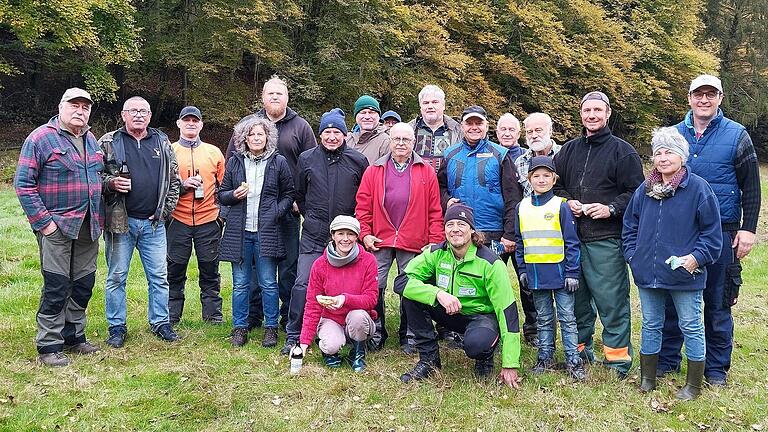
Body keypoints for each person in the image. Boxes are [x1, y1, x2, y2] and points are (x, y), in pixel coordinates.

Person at [658, 74, 761, 386]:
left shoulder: (737, 135)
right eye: (698, 94)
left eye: (710, 94)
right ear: (689, 98)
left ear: (720, 98)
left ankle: (715, 370)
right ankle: (667, 362)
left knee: (717, 304)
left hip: (723, 234)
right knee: (673, 303)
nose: (704, 100)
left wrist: (748, 229)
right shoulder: (673, 134)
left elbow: (752, 187)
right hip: (680, 233)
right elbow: (657, 179)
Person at [623, 127, 722, 400]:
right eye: (658, 152)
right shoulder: (645, 190)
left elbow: (712, 236)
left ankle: (693, 385)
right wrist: (633, 256)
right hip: (648, 273)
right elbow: (629, 226)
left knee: (691, 325)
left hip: (685, 274)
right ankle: (647, 379)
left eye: (669, 152)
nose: (663, 157)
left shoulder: (698, 189)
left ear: (682, 156)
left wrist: (696, 258)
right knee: (651, 323)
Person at [553, 91, 644, 377]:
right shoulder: (568, 150)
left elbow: (637, 193)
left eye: (597, 110)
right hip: (571, 241)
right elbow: (554, 186)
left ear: (607, 114)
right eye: (587, 110)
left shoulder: (622, 151)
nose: (591, 115)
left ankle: (617, 361)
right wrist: (569, 202)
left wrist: (611, 209)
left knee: (612, 302)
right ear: (581, 114)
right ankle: (578, 353)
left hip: (606, 240)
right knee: (576, 303)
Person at [14, 88, 104, 366]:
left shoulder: (91, 141)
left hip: (89, 226)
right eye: (74, 105)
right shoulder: (40, 138)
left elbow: (96, 179)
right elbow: (23, 185)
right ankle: (49, 344)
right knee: (56, 285)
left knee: (83, 284)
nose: (80, 110)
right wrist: (45, 224)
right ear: (61, 106)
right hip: (58, 227)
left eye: (85, 107)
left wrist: (110, 184)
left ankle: (74, 337)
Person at [226, 75, 317, 331]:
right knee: (254, 267)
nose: (275, 97)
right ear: (263, 97)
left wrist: (300, 201)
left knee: (288, 266)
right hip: (252, 211)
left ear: (287, 97)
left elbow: (311, 166)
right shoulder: (248, 125)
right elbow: (231, 164)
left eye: (280, 93)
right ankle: (253, 316)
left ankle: (288, 314)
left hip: (287, 209)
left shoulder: (301, 127)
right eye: (270, 93)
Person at [394, 204, 522, 387]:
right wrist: (437, 293)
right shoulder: (435, 253)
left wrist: (510, 363)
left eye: (461, 224)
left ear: (471, 230)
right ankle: (429, 360)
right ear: (444, 230)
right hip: (450, 311)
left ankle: (485, 357)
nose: (455, 229)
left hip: (481, 317)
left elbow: (508, 312)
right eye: (450, 224)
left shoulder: (491, 263)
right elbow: (401, 281)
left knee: (477, 345)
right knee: (412, 296)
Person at [281, 108, 369, 354]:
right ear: (320, 135)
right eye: (327, 132)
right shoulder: (307, 158)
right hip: (314, 231)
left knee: (354, 285)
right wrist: (312, 216)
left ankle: (361, 334)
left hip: (346, 236)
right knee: (303, 283)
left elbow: (364, 195)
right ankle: (294, 334)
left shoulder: (358, 160)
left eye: (337, 132)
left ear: (344, 134)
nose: (332, 137)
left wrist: (350, 227)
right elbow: (299, 193)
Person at [355, 122, 444, 353]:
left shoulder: (425, 171)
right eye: (397, 139)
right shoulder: (374, 170)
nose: (401, 143)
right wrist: (364, 234)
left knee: (411, 286)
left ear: (413, 142)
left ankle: (410, 334)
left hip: (414, 240)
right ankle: (375, 331)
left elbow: (435, 211)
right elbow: (362, 207)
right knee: (375, 284)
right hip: (379, 239)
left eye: (406, 139)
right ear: (390, 141)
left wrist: (434, 241)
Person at [100, 96, 181, 348]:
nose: (139, 115)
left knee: (159, 276)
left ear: (149, 115)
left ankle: (160, 322)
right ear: (123, 114)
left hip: (154, 224)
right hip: (119, 223)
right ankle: (116, 327)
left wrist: (164, 212)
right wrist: (110, 183)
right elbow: (93, 177)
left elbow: (173, 180)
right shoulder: (109, 142)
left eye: (144, 111)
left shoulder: (161, 141)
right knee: (117, 277)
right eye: (133, 111)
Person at [219, 117, 295, 347]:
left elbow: (288, 194)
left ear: (267, 137)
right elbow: (222, 193)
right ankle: (239, 327)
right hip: (240, 232)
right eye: (251, 135)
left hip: (267, 232)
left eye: (260, 134)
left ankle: (270, 327)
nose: (256, 138)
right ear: (244, 138)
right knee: (240, 283)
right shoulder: (234, 162)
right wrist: (233, 196)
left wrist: (276, 212)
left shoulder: (278, 162)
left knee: (268, 283)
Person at [515, 156, 586, 380]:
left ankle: (574, 360)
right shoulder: (522, 207)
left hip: (561, 274)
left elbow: (572, 242)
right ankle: (545, 358)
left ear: (554, 179)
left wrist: (573, 272)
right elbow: (520, 241)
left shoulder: (560, 206)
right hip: (536, 274)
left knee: (567, 317)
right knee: (543, 317)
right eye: (537, 176)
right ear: (529, 179)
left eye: (546, 175)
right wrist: (523, 270)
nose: (541, 180)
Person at [167, 106, 225, 325]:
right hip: (177, 219)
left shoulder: (213, 152)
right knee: (174, 269)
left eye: (195, 120)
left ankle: (213, 317)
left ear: (201, 124)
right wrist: (182, 187)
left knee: (210, 269)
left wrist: (221, 215)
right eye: (186, 120)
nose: (191, 124)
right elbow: (163, 185)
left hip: (208, 220)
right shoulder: (169, 150)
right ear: (179, 124)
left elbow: (225, 185)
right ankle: (171, 316)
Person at [299, 216, 378, 372]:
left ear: (357, 237)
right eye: (340, 234)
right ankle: (329, 350)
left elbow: (372, 298)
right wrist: (303, 343)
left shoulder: (368, 260)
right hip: (331, 317)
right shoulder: (320, 264)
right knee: (330, 345)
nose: (345, 239)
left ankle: (357, 352)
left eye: (350, 234)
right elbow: (312, 304)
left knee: (358, 317)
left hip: (358, 318)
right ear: (333, 235)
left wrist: (345, 299)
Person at [408, 84, 463, 171]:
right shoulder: (409, 130)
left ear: (443, 105)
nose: (430, 106)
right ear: (420, 107)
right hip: (416, 183)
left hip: (447, 183)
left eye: (435, 102)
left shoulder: (458, 130)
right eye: (425, 103)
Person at [515, 112, 562, 198]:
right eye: (529, 132)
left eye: (538, 130)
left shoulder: (564, 155)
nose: (534, 135)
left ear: (550, 131)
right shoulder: (520, 161)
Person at [346, 95, 390, 164]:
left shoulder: (387, 142)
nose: (367, 117)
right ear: (356, 116)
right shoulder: (346, 139)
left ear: (378, 116)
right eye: (363, 112)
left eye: (371, 112)